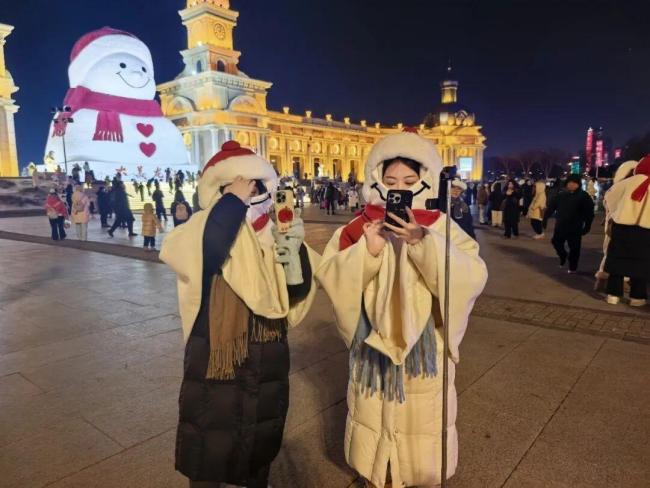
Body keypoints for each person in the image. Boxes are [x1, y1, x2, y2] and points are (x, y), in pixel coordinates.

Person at [316, 131, 487, 488]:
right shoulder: (358, 226)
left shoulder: (440, 225)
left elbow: (472, 275)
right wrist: (368, 251)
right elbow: (330, 275)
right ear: (377, 180)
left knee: (421, 416)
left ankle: (417, 475)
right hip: (372, 342)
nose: (400, 188)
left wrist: (423, 243)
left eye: (409, 181)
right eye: (391, 181)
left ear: (425, 180)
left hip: (425, 345)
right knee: (373, 410)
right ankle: (376, 473)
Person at [160, 141, 319, 488]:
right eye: (238, 186)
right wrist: (232, 203)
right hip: (218, 362)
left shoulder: (274, 234)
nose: (250, 193)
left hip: (267, 360)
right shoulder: (200, 227)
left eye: (255, 186)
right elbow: (211, 249)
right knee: (209, 443)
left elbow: (295, 295)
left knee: (257, 445)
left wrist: (295, 254)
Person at [603, 156, 650, 306]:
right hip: (646, 232)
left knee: (617, 262)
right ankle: (637, 297)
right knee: (642, 264)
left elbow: (609, 198)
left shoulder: (627, 183)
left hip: (622, 228)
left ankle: (613, 295)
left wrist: (618, 212)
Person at [595, 160, 639, 291]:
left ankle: (602, 279)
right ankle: (623, 281)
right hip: (627, 225)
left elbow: (607, 204)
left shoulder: (615, 188)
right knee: (627, 254)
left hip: (613, 224)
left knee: (609, 252)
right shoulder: (633, 187)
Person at [546, 175, 594, 274]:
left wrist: (587, 226)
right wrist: (545, 218)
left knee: (574, 248)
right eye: (569, 182)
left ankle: (572, 267)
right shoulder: (561, 195)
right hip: (561, 225)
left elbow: (589, 212)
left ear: (578, 184)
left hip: (575, 227)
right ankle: (563, 255)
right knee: (556, 242)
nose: (571, 184)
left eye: (574, 183)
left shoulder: (584, 196)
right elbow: (551, 207)